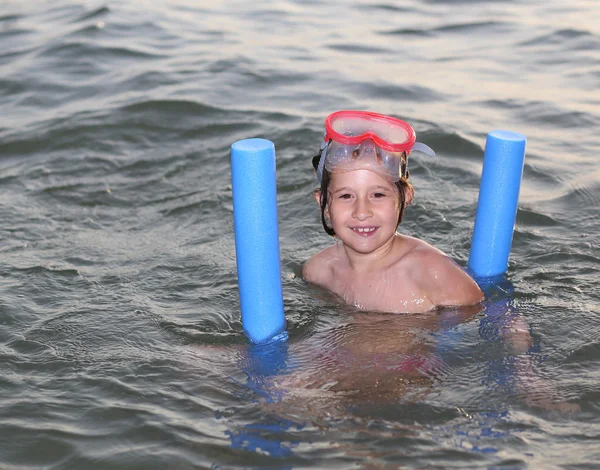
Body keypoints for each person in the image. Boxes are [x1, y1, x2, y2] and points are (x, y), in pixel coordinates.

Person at [303, 110, 484, 313]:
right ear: (324, 205)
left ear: (404, 198)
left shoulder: (432, 272)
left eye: (378, 195)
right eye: (346, 196)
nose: (362, 212)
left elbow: (490, 318)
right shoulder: (318, 272)